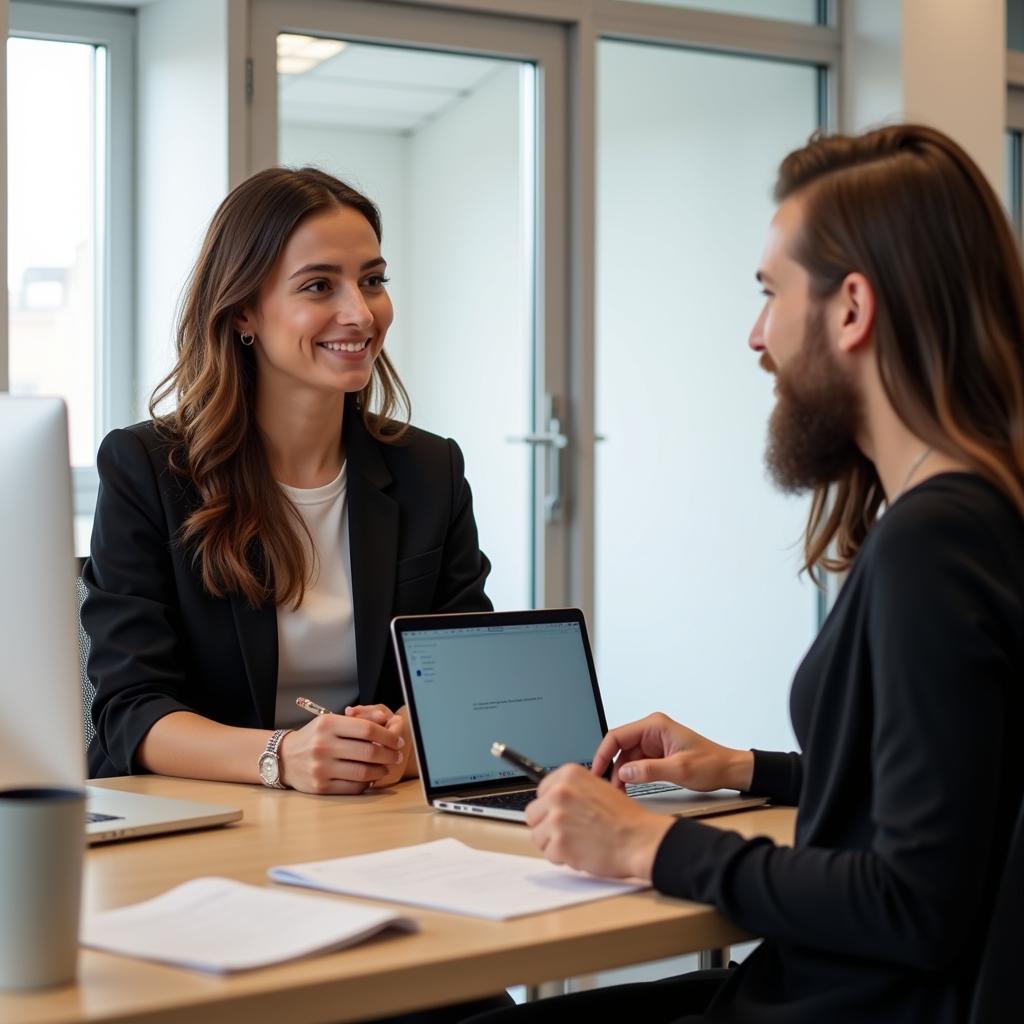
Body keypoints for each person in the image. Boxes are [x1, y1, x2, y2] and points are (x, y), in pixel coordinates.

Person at [466, 124, 1024, 1023]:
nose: (757, 337)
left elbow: (914, 903)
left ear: (851, 309)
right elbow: (951, 798)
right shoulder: (982, 509)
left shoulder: (937, 544)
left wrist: (649, 847)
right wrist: (741, 767)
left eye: (770, 294)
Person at [82, 167, 493, 795]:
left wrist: (409, 739)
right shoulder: (148, 467)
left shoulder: (431, 469)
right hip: (199, 810)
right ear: (245, 309)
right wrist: (282, 755)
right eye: (319, 286)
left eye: (373, 281)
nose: (359, 313)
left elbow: (465, 675)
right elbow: (130, 711)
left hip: (373, 811)